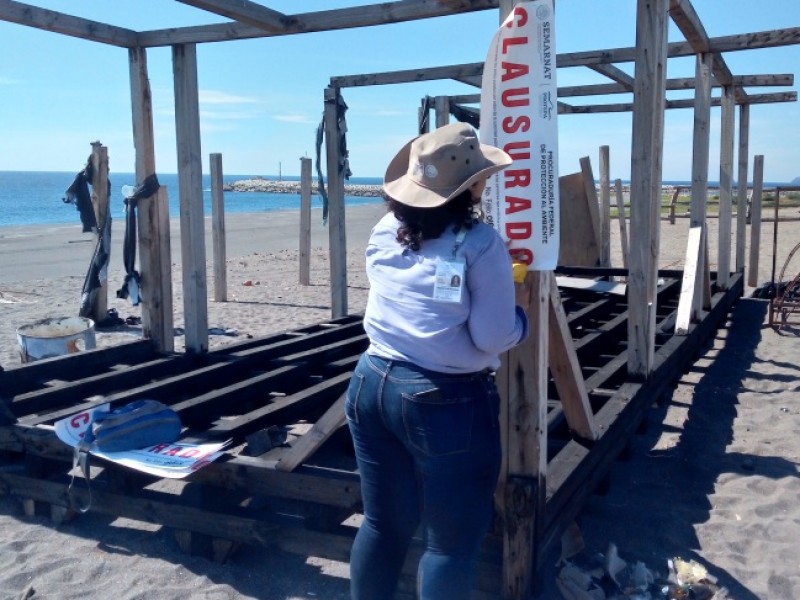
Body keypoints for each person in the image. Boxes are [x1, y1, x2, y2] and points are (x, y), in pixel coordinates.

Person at [346, 122, 530, 600]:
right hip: (443, 398)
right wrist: (521, 323)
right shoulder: (480, 243)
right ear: (471, 185)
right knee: (450, 545)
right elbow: (491, 335)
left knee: (383, 524)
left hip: (371, 381)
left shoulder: (387, 228)